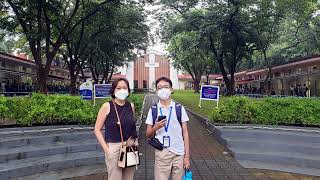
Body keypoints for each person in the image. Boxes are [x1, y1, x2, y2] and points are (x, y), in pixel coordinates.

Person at [146, 77, 190, 180]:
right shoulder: (153, 110)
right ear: (156, 91)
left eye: (166, 87)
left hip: (179, 153)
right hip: (162, 152)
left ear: (171, 89)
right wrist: (155, 128)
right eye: (160, 88)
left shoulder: (179, 108)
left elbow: (185, 133)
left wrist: (187, 157)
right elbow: (148, 134)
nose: (163, 90)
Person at [94, 78, 138, 180]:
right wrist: (107, 150)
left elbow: (132, 125)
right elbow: (97, 129)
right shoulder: (107, 106)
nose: (122, 90)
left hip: (130, 146)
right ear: (113, 90)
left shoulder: (130, 106)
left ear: (128, 90)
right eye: (118, 88)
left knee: (129, 177)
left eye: (124, 88)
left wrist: (135, 142)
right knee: (115, 177)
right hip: (114, 147)